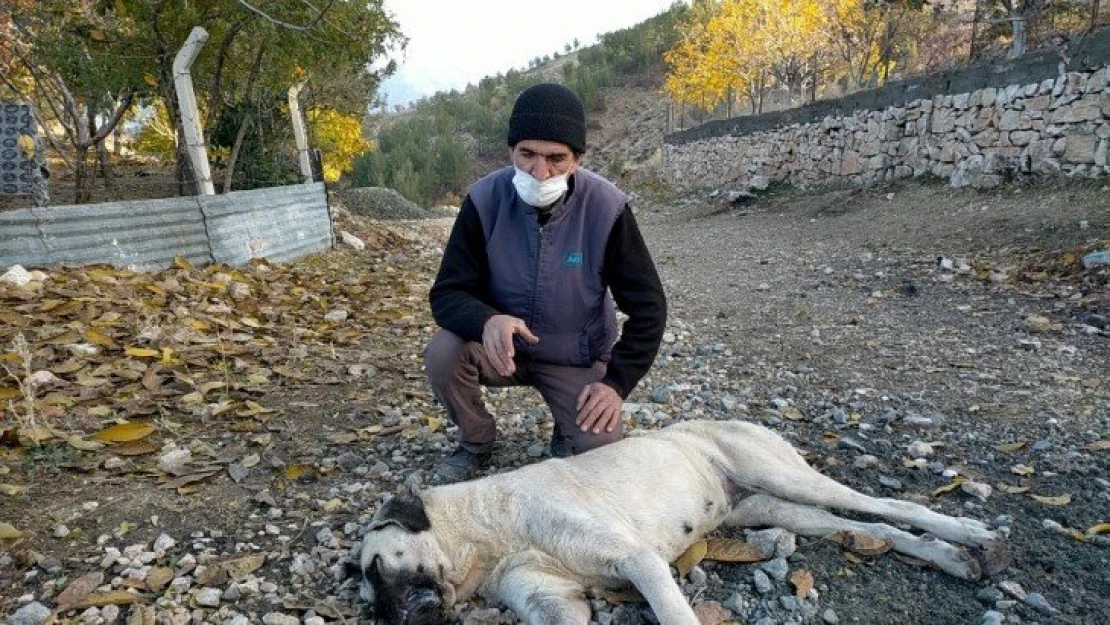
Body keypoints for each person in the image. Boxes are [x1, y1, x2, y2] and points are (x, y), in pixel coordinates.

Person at [425, 83, 667, 483]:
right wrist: (487, 320)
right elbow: (447, 293)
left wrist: (615, 384)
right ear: (511, 151)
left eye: (556, 158)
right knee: (443, 352)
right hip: (503, 351)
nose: (540, 172)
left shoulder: (607, 208)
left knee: (602, 452)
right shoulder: (484, 200)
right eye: (527, 155)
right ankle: (475, 442)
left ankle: (565, 420)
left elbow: (649, 307)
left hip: (575, 357)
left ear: (577, 159)